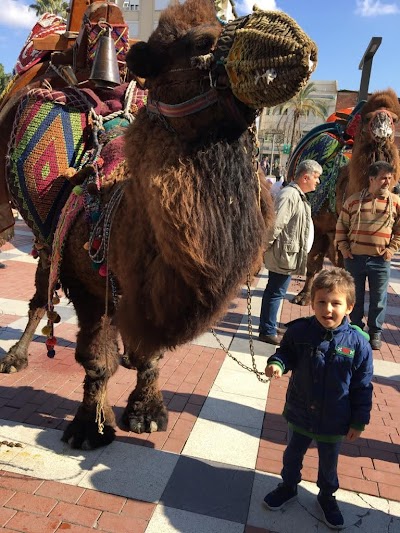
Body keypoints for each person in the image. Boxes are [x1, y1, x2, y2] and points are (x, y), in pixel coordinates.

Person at [263, 267, 373, 530]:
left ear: (349, 307)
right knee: (292, 455)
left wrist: (359, 421)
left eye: (336, 303)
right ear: (312, 303)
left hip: (335, 419)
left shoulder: (358, 344)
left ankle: (326, 496)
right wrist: (277, 363)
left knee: (328, 463)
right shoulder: (300, 332)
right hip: (300, 410)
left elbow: (362, 386)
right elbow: (286, 352)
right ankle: (288, 486)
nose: (328, 309)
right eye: (321, 302)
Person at [335, 161, 400, 350]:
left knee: (379, 298)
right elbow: (342, 226)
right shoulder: (353, 200)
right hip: (354, 259)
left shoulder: (395, 202)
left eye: (389, 178)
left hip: (380, 260)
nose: (387, 182)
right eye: (383, 178)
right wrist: (344, 248)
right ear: (372, 179)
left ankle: (375, 333)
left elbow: (398, 231)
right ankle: (356, 328)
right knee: (354, 297)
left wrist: (391, 250)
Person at [259, 159, 322, 345]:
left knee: (276, 290)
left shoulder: (297, 195)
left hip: (288, 252)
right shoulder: (290, 195)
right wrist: (264, 246)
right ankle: (267, 330)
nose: (318, 182)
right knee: (275, 291)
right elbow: (276, 224)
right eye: (316, 177)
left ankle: (269, 324)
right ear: (305, 177)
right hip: (283, 252)